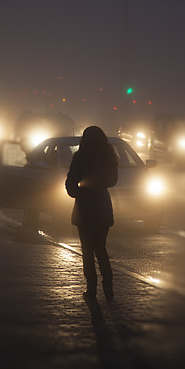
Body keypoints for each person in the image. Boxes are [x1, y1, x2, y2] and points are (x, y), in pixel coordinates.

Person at [65, 126, 118, 300]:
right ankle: (108, 286)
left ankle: (92, 288)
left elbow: (70, 183)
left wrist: (79, 192)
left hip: (85, 209)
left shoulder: (80, 157)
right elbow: (113, 180)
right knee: (100, 248)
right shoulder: (108, 156)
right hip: (102, 206)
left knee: (87, 251)